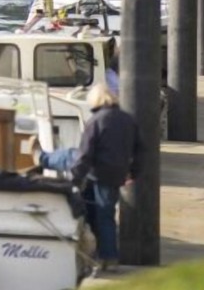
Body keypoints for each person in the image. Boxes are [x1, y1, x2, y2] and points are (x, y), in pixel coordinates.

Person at [35, 83, 142, 274]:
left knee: (103, 214)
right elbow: (141, 150)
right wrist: (133, 172)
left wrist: (73, 181)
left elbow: (85, 154)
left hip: (98, 172)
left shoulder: (96, 121)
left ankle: (42, 158)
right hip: (115, 174)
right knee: (100, 214)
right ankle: (104, 257)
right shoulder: (128, 120)